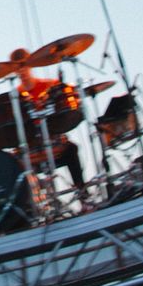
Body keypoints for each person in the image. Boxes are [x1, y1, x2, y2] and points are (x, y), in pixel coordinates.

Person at [10, 50, 88, 203]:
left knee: (71, 149)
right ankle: (29, 208)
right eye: (17, 67)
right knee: (10, 163)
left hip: (52, 140)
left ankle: (83, 195)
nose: (22, 70)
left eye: (24, 65)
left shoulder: (49, 85)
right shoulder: (14, 97)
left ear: (31, 65)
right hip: (30, 146)